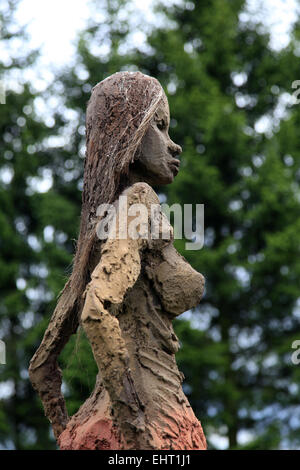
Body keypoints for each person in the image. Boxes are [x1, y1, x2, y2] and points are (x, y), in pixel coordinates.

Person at [30, 71, 206, 450]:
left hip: (91, 429)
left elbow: (42, 365)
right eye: (159, 127)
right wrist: (137, 430)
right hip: (159, 422)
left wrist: (67, 435)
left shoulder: (99, 225)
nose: (174, 146)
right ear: (128, 132)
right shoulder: (139, 202)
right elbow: (95, 311)